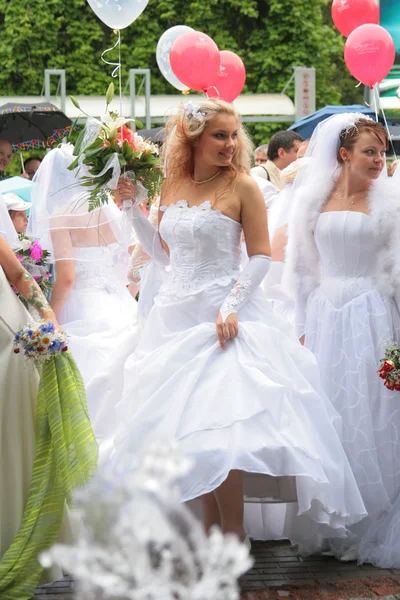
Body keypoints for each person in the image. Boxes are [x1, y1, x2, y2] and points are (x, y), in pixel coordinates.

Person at [111, 99, 366, 554]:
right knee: (190, 432)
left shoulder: (243, 186)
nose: (230, 145)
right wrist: (132, 211)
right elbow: (166, 254)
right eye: (219, 136)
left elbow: (262, 255)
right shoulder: (172, 184)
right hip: (174, 318)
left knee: (220, 428)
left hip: (223, 318)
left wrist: (231, 306)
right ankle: (213, 532)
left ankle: (233, 532)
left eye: (234, 136)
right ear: (193, 140)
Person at [283, 114, 400, 561]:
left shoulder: (390, 203)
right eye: (370, 151)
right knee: (330, 414)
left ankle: (372, 518)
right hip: (326, 315)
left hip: (372, 313)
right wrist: (300, 324)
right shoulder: (312, 201)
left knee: (374, 413)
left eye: (382, 151)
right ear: (344, 154)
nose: (378, 159)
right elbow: (300, 267)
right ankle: (333, 521)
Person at [28, 144, 141, 455]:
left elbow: (66, 278)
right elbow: (132, 269)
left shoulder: (61, 216)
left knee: (85, 381)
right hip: (120, 303)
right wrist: (125, 296)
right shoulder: (110, 208)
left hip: (82, 303)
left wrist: (49, 317)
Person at [0, 201, 73, 586]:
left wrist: (48, 316)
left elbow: (17, 272)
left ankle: (21, 540)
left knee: (15, 438)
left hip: (8, 337)